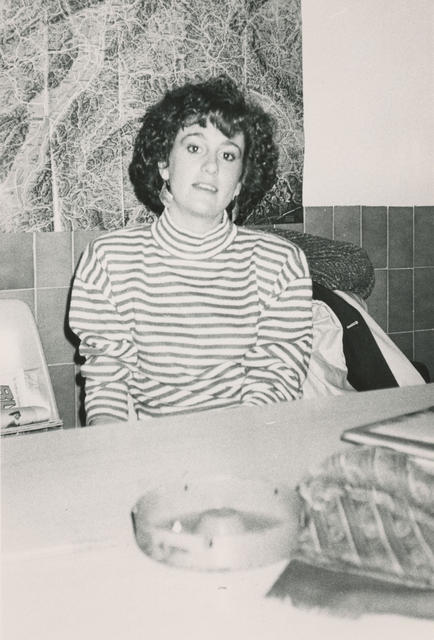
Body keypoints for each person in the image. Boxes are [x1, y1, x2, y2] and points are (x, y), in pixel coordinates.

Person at [69, 76, 313, 424]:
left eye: (228, 155)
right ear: (164, 163)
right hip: (149, 449)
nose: (212, 166)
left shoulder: (280, 264)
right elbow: (108, 385)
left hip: (249, 441)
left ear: (240, 180)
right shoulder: (109, 260)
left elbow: (275, 383)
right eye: (195, 148)